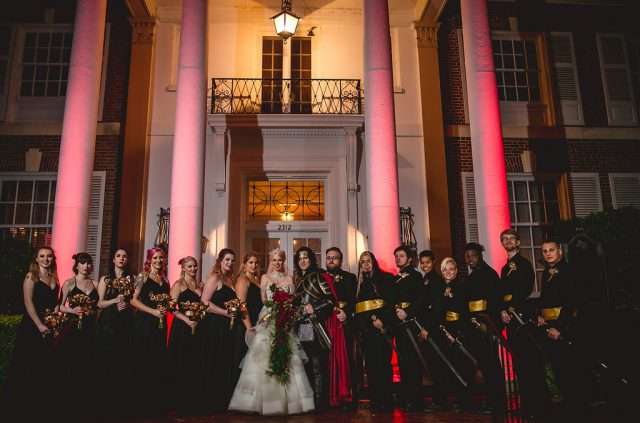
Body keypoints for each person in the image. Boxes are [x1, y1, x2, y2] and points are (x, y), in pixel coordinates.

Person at [229, 248, 315, 415]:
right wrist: (273, 308)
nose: (277, 263)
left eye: (280, 260)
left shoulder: (289, 278)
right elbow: (263, 299)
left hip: (285, 318)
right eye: (274, 260)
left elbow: (293, 300)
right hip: (268, 317)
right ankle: (263, 402)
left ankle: (290, 401)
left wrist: (287, 309)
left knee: (287, 355)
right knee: (263, 356)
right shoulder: (264, 278)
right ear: (270, 261)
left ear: (283, 261)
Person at [1, 247, 61, 421]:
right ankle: (21, 411)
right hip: (32, 327)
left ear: (53, 259)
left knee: (43, 368)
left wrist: (56, 321)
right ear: (36, 259)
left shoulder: (54, 277)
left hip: (48, 327)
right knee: (28, 367)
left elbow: (55, 304)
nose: (46, 259)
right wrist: (39, 325)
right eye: (42, 256)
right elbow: (28, 303)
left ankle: (39, 410)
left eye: (49, 256)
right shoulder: (31, 277)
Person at [497, 229, 547, 419]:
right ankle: (527, 405)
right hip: (510, 319)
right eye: (505, 239)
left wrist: (510, 307)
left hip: (521, 317)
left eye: (512, 238)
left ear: (518, 242)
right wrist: (502, 309)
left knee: (529, 362)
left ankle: (537, 406)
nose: (508, 241)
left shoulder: (524, 264)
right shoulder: (505, 268)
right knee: (519, 363)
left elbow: (524, 289)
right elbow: (502, 293)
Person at [538, 240, 589, 418]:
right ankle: (567, 410)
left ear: (560, 251)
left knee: (570, 371)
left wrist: (559, 328)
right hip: (549, 326)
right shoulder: (546, 272)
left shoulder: (569, 270)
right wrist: (540, 315)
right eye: (544, 251)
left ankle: (578, 412)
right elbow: (545, 299)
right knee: (558, 370)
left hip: (565, 327)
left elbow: (571, 303)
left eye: (551, 250)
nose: (548, 254)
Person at [463, 243, 506, 419]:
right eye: (467, 256)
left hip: (487, 326)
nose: (470, 259)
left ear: (480, 256)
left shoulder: (490, 275)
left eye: (473, 255)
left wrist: (491, 326)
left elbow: (496, 302)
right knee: (482, 365)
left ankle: (498, 403)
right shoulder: (471, 276)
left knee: (492, 366)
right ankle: (490, 401)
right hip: (475, 327)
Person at [200, 248, 244, 412]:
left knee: (226, 361)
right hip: (215, 325)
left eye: (232, 260)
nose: (230, 263)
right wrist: (225, 312)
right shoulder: (215, 277)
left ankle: (223, 399)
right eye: (227, 260)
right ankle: (213, 401)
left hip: (228, 327)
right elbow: (204, 302)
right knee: (216, 360)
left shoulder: (230, 279)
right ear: (220, 261)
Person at [293, 246, 336, 411]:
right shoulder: (297, 279)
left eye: (306, 257)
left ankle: (320, 403)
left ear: (311, 259)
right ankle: (309, 402)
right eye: (300, 258)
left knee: (318, 366)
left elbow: (330, 300)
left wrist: (315, 308)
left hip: (315, 327)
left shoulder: (318, 277)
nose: (303, 261)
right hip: (300, 327)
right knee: (305, 366)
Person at [130, 247, 171, 416]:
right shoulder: (143, 276)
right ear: (149, 260)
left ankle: (155, 403)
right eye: (155, 258)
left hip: (159, 323)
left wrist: (165, 309)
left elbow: (165, 302)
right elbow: (133, 300)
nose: (158, 261)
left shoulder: (165, 279)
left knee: (157, 360)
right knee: (144, 359)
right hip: (144, 322)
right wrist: (152, 311)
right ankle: (141, 404)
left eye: (161, 258)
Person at [58, 252, 100, 417]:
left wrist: (93, 312)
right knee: (71, 362)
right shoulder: (69, 283)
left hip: (90, 328)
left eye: (88, 263)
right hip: (72, 328)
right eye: (83, 263)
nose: (86, 266)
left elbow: (100, 306)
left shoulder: (95, 284)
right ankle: (69, 403)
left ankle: (85, 404)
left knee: (88, 363)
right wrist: (72, 310)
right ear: (77, 265)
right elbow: (59, 306)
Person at [96, 248, 135, 418]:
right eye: (118, 256)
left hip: (125, 321)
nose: (121, 258)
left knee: (123, 360)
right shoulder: (105, 279)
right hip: (109, 322)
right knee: (107, 360)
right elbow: (99, 303)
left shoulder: (131, 279)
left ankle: (121, 404)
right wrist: (115, 300)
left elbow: (134, 300)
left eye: (124, 256)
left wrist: (128, 304)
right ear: (113, 260)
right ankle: (105, 404)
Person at [354, 251, 395, 412]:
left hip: (383, 329)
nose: (365, 264)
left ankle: (387, 401)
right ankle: (376, 402)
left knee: (384, 366)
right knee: (371, 368)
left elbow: (391, 302)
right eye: (362, 262)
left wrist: (382, 321)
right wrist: (368, 322)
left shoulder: (386, 279)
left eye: (368, 261)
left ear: (373, 262)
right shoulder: (360, 284)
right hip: (367, 332)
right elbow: (359, 309)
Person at [437, 257, 475, 411]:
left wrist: (458, 333)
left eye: (451, 269)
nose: (448, 272)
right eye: (445, 269)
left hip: (460, 330)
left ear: (456, 271)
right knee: (451, 366)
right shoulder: (439, 288)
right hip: (446, 330)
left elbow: (465, 311)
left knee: (464, 366)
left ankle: (467, 401)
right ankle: (458, 399)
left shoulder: (462, 287)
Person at [168, 256, 205, 416]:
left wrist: (198, 318)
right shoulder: (178, 285)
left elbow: (204, 305)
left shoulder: (200, 285)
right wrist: (186, 320)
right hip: (182, 328)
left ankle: (193, 401)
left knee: (194, 363)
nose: (193, 269)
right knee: (181, 362)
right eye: (189, 266)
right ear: (183, 268)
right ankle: (179, 403)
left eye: (194, 266)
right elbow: (171, 307)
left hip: (198, 327)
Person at [392, 245, 426, 412]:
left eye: (402, 256)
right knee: (403, 361)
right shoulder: (395, 278)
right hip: (399, 324)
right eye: (396, 256)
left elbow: (421, 299)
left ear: (410, 259)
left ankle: (416, 399)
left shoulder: (416, 276)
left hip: (412, 322)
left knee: (414, 362)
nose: (398, 258)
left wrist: (408, 312)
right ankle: (406, 397)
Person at [325, 246, 357, 409]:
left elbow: (355, 300)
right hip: (327, 323)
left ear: (341, 260)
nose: (331, 260)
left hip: (345, 323)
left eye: (334, 257)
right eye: (329, 257)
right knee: (328, 360)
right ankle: (329, 397)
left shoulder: (350, 278)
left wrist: (347, 313)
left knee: (346, 359)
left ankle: (347, 396)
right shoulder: (320, 278)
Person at [416, 250, 447, 411]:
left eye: (427, 262)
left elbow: (437, 308)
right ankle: (438, 399)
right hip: (426, 327)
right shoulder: (425, 279)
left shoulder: (436, 280)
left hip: (433, 329)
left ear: (433, 262)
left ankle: (440, 401)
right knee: (432, 366)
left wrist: (427, 328)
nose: (424, 265)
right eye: (422, 263)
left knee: (437, 366)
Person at [235, 253, 263, 329]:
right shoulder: (242, 280)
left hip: (257, 321)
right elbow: (241, 305)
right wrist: (249, 327)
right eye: (251, 262)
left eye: (256, 263)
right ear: (245, 264)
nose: (254, 265)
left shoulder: (257, 280)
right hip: (247, 323)